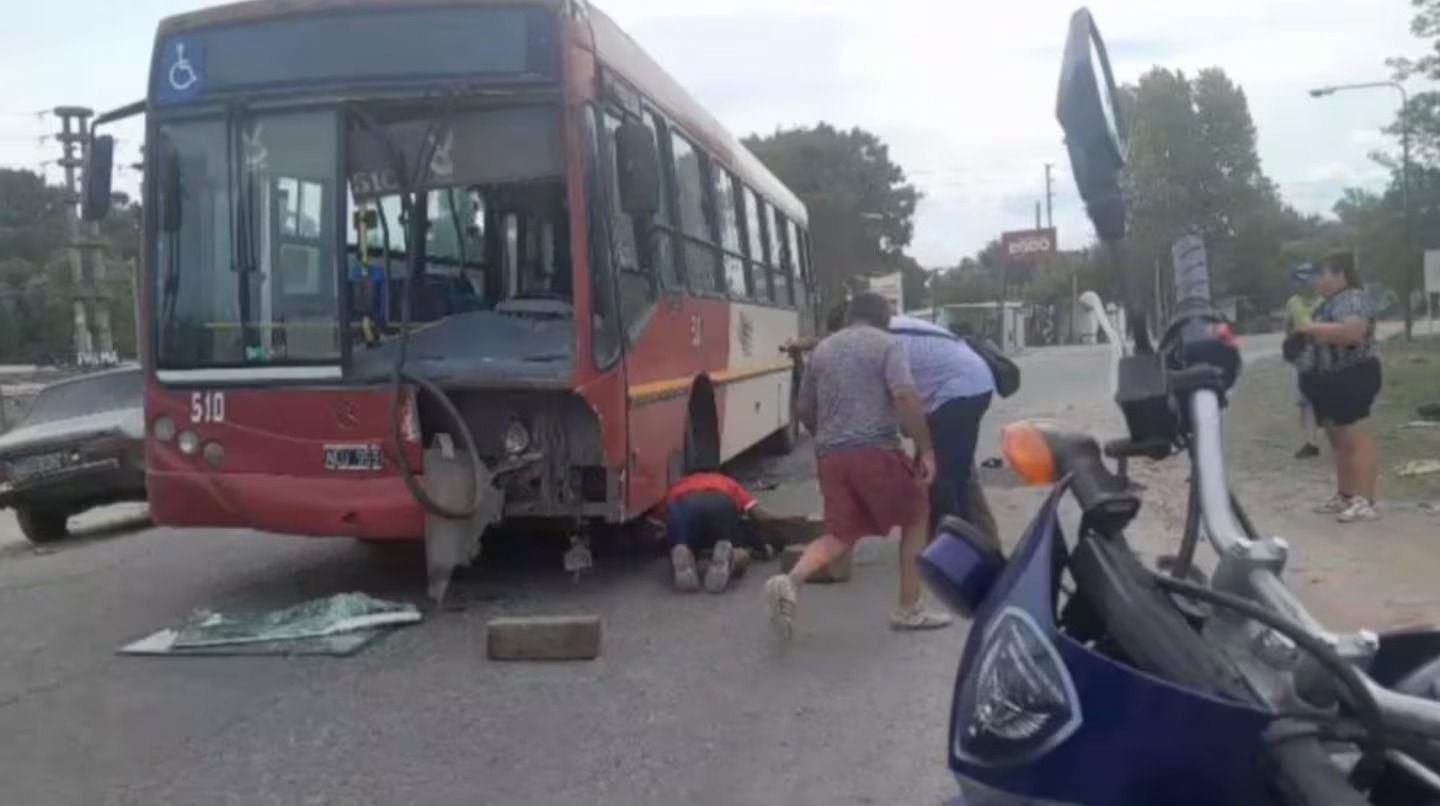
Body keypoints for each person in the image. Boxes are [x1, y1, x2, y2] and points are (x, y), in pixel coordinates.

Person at [765, 293, 951, 638]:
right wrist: (925, 449)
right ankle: (909, 609)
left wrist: (829, 437)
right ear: (884, 319)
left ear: (851, 316)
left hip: (831, 457)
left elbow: (804, 408)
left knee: (840, 533)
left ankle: (789, 581)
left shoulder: (822, 351)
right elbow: (905, 396)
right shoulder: (888, 345)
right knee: (916, 514)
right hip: (875, 450)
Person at [1295, 252, 1383, 523]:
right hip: (1329, 377)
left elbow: (1352, 334)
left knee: (1355, 436)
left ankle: (1365, 500)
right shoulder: (1328, 303)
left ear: (1340, 275)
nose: (1317, 281)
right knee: (1338, 440)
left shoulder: (1353, 298)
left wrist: (1311, 327)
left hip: (1353, 373)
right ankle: (1345, 494)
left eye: (1323, 274)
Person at [888, 314, 996, 532]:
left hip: (959, 391)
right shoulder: (893, 327)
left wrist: (914, 432)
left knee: (941, 479)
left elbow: (901, 395)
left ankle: (955, 545)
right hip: (964, 386)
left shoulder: (886, 338)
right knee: (953, 474)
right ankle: (971, 537)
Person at [659, 472, 782, 593]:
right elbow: (756, 513)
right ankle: (730, 557)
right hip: (720, 503)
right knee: (738, 549)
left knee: (682, 541)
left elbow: (662, 520)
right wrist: (781, 524)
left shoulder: (677, 485)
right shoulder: (726, 481)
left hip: (684, 505)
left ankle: (684, 551)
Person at [1284, 264, 1322, 460]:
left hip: (1325, 353)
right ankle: (1311, 442)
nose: (1302, 285)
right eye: (1298, 281)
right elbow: (1288, 326)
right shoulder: (1293, 303)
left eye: (1305, 280)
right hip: (1303, 353)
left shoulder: (1325, 301)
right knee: (1306, 400)